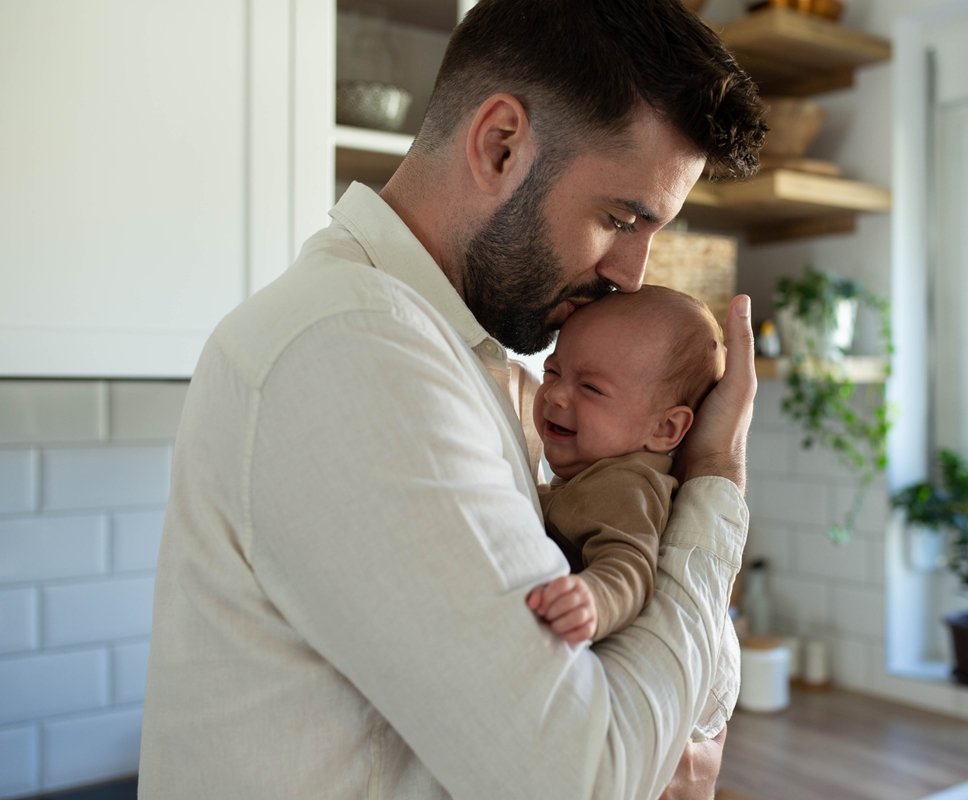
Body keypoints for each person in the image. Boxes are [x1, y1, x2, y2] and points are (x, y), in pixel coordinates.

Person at [138, 0, 766, 798]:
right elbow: (582, 780)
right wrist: (716, 482)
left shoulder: (464, 355)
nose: (632, 274)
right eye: (619, 219)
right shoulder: (354, 346)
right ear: (501, 145)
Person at [525, 286, 740, 744]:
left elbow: (631, 566)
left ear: (666, 428)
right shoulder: (601, 474)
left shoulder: (625, 486)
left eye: (591, 387)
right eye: (552, 370)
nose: (557, 395)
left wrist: (593, 599)